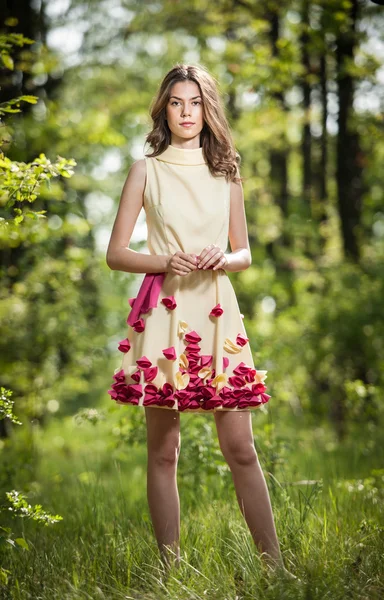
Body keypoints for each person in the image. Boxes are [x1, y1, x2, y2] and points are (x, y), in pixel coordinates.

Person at [106, 64, 298, 581]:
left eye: (195, 102)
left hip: (217, 313)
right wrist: (165, 261)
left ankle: (275, 571)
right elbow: (117, 253)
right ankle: (169, 573)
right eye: (176, 102)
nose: (186, 112)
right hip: (165, 315)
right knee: (163, 449)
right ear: (163, 109)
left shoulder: (227, 172)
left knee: (241, 447)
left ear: (207, 108)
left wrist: (222, 258)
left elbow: (245, 253)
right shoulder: (145, 170)